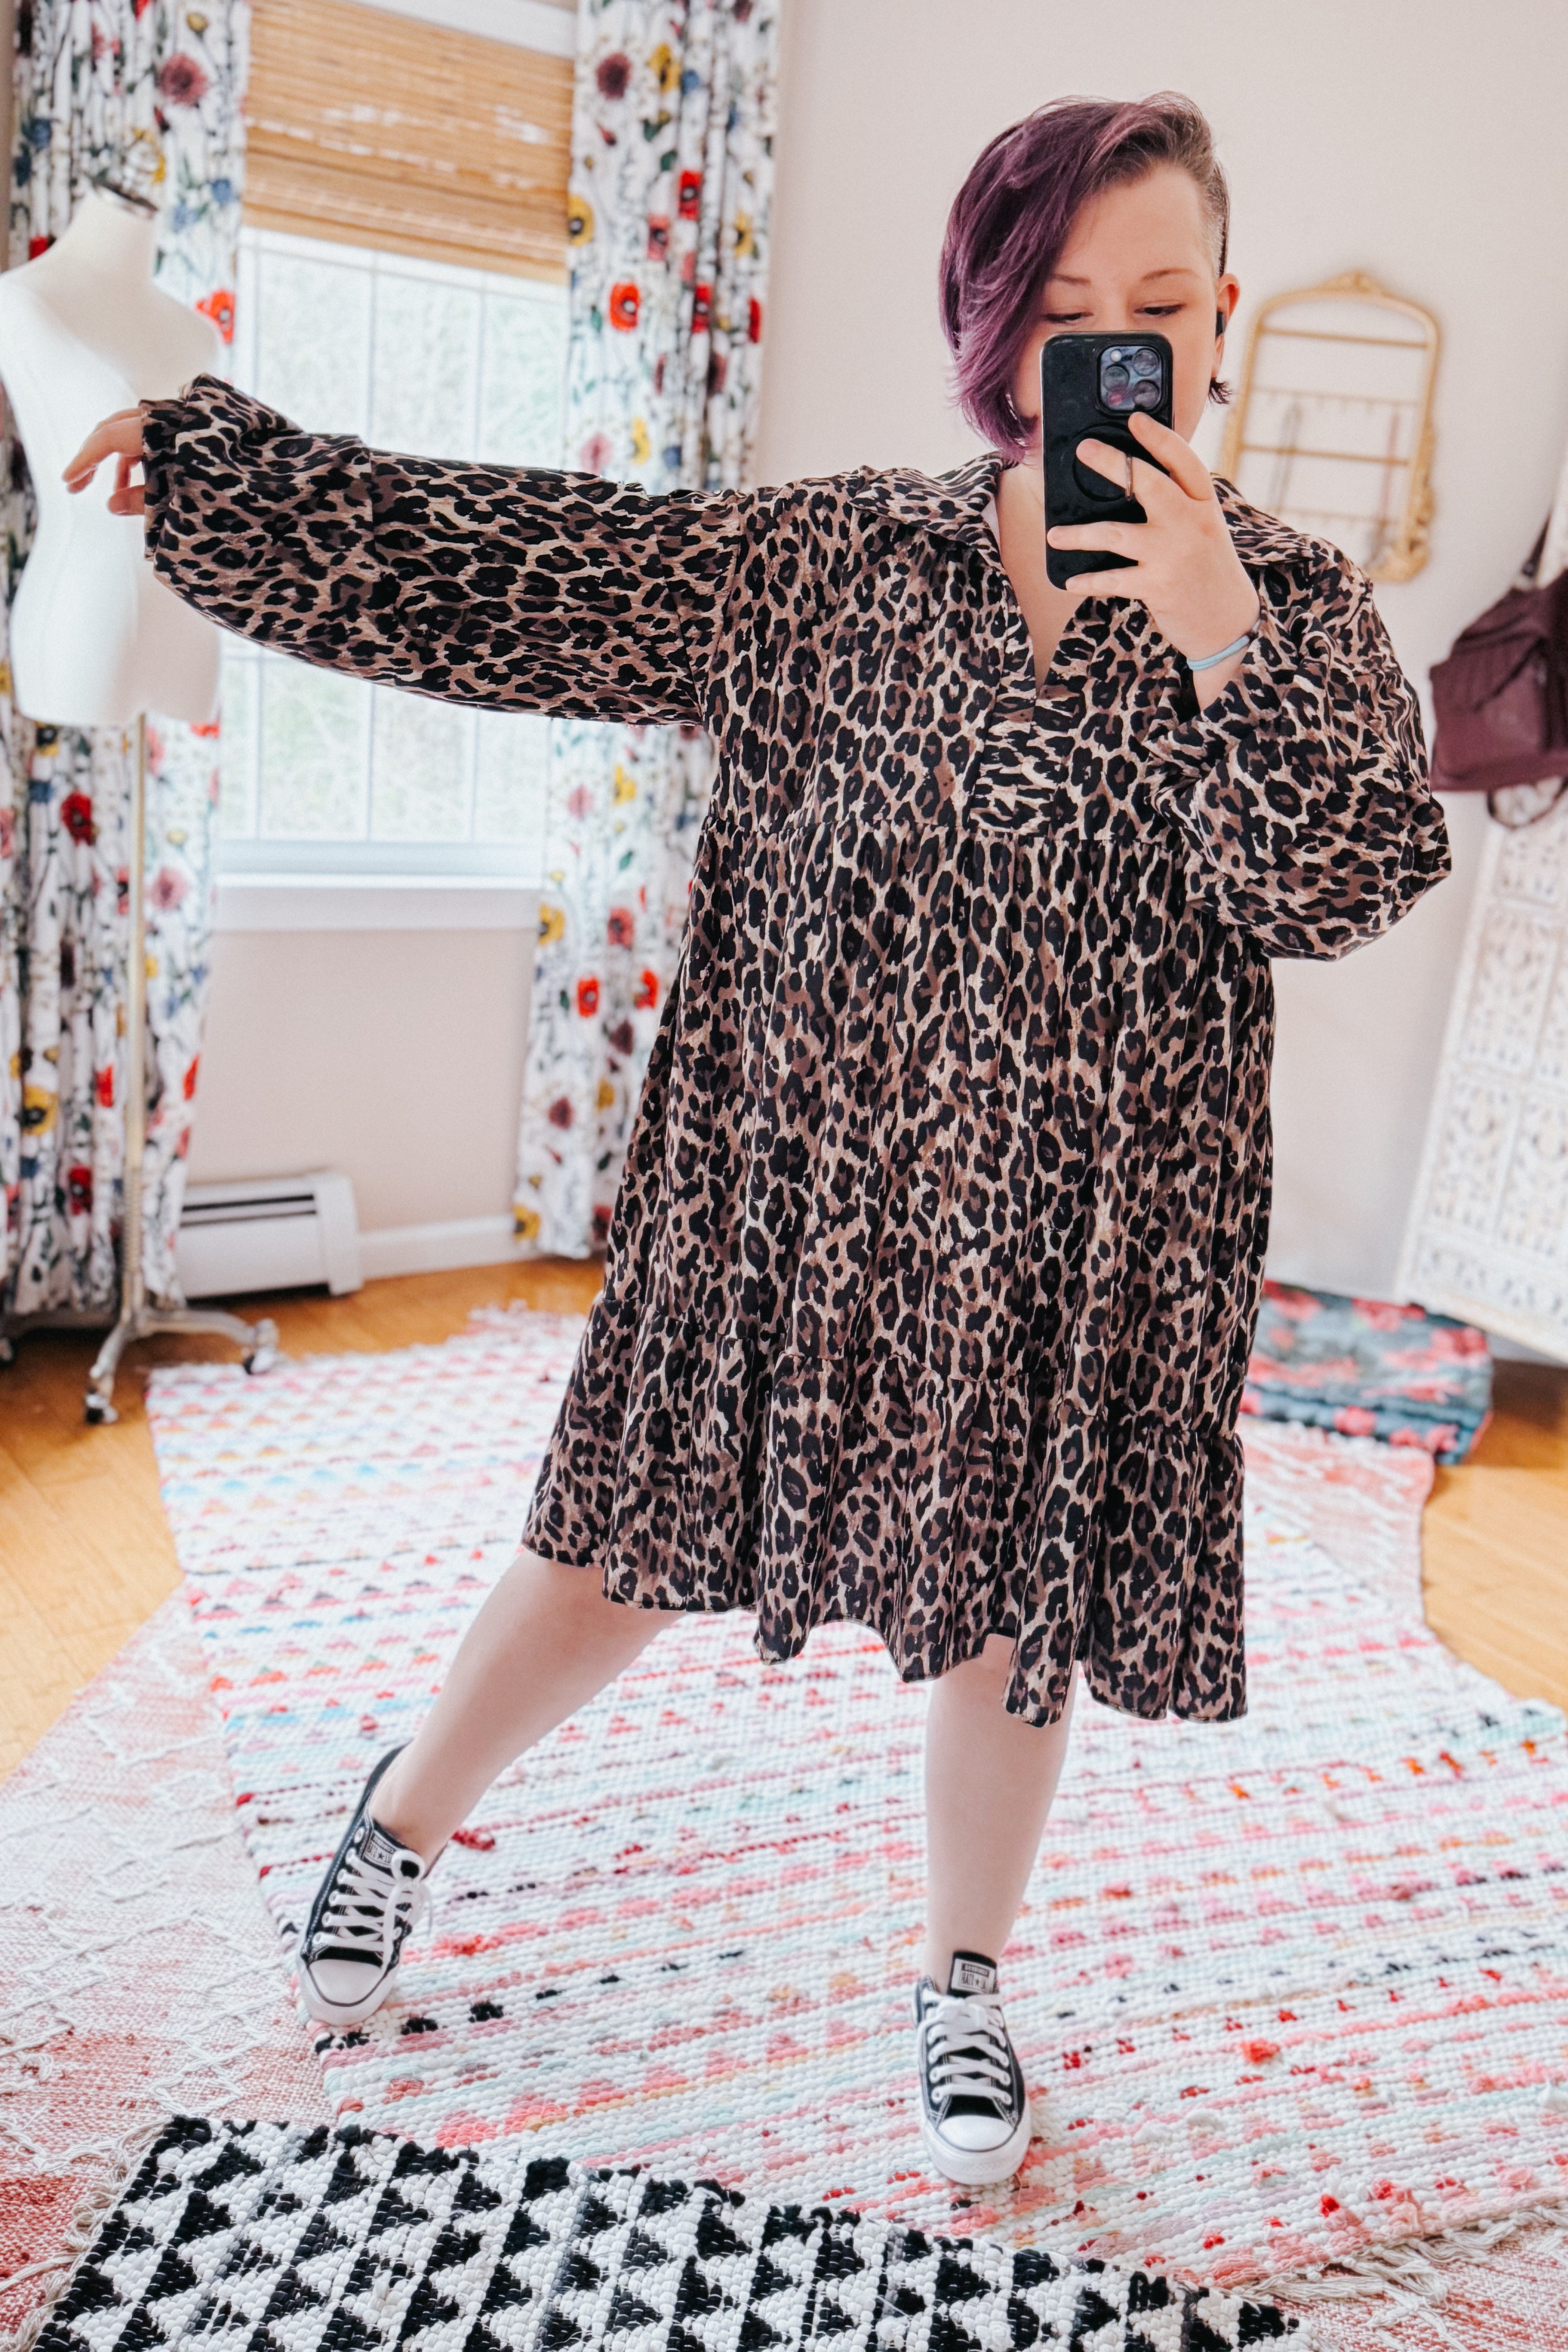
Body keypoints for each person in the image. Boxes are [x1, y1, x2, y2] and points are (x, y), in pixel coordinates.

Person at [66, 92, 1448, 2190]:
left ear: (1223, 317)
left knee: (1013, 1615)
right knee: (611, 1555)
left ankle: (962, 1976)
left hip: (1086, 1241)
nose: (1117, 341)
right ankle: (405, 1810)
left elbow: (1337, 879)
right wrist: (219, 475)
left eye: (1158, 303)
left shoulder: (1300, 615)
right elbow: (530, 573)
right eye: (1067, 305)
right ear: (999, 329)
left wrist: (1220, 627)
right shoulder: (833, 561)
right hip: (801, 1190)